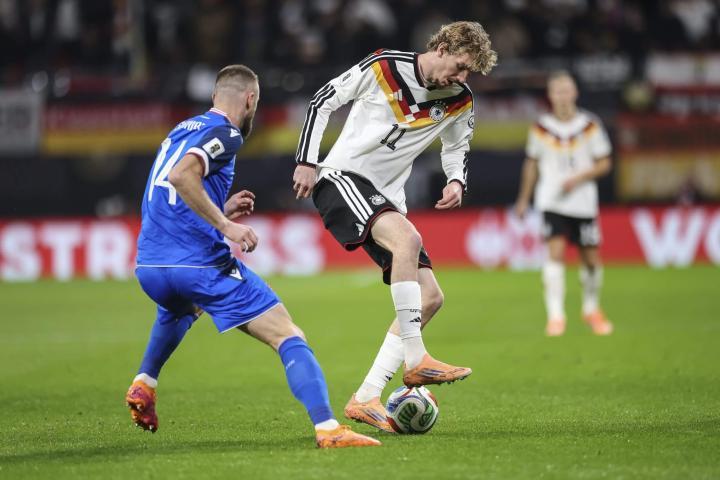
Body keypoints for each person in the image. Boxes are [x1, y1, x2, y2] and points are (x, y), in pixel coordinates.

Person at [126, 64, 380, 449]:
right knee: (288, 335)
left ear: (215, 96)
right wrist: (226, 226)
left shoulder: (180, 130)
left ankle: (145, 382)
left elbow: (170, 190)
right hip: (197, 265)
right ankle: (329, 429)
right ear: (250, 100)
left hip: (150, 265)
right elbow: (182, 177)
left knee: (183, 306)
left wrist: (220, 207)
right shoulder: (226, 132)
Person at [292, 21, 497, 432]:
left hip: (384, 198)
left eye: (469, 72)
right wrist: (307, 160)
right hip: (342, 179)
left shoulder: (459, 99)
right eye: (460, 66)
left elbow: (456, 146)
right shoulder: (384, 66)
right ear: (442, 47)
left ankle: (366, 396)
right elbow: (322, 100)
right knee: (408, 240)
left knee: (431, 297)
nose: (462, 77)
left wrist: (456, 180)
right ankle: (416, 358)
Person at [514, 71, 614, 337]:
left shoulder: (590, 125)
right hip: (551, 201)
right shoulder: (541, 127)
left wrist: (579, 178)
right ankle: (556, 316)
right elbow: (531, 164)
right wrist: (523, 199)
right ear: (550, 95)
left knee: (591, 259)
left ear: (575, 93)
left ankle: (591, 308)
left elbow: (605, 162)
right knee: (555, 253)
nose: (562, 96)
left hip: (583, 202)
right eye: (557, 91)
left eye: (566, 90)